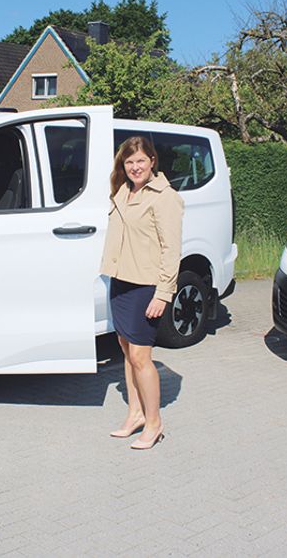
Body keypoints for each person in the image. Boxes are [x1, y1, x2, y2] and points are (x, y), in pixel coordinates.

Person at [100, 136, 183, 450]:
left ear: (152, 162)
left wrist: (163, 293)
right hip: (121, 280)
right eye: (129, 162)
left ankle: (154, 422)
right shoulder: (123, 191)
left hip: (146, 285)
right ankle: (135, 413)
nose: (135, 167)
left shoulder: (165, 198)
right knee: (126, 350)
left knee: (140, 356)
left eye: (140, 161)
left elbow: (171, 249)